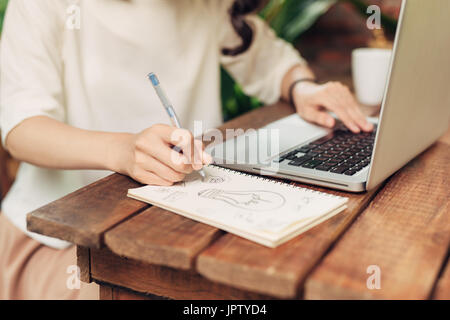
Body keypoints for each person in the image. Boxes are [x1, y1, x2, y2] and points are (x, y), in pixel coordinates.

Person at [0, 0, 373, 300]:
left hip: (182, 227)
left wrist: (303, 89)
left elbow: (268, 59)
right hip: (65, 242)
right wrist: (122, 151)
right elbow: (22, 128)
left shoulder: (205, 6)